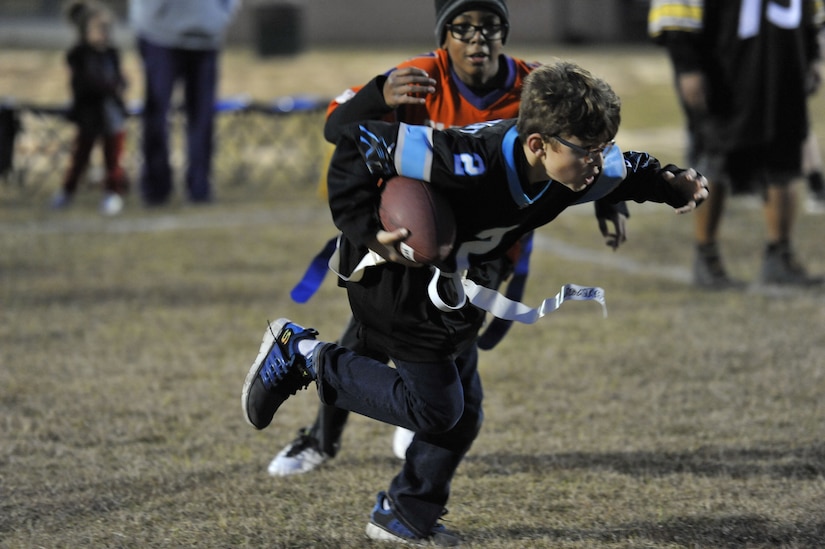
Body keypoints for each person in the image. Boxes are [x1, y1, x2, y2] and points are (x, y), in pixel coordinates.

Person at [242, 60, 708, 545]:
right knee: (437, 411)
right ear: (537, 144)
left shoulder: (575, 163)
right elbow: (357, 143)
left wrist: (669, 183)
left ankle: (405, 515)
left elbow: (628, 169)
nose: (597, 161)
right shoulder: (467, 158)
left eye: (602, 147)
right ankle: (300, 356)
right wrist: (367, 231)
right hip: (399, 281)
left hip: (454, 285)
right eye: (588, 150)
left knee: (463, 415)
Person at [268, 0, 630, 478]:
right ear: (444, 34)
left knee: (455, 347)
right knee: (366, 341)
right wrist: (378, 94)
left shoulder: (535, 85)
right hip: (413, 241)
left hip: (485, 245)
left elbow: (590, 135)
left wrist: (610, 196)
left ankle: (416, 451)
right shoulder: (418, 76)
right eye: (463, 27)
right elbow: (338, 129)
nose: (478, 39)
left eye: (491, 27)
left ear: (505, 31)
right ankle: (323, 438)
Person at [648, 0, 825, 287]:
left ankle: (779, 255)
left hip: (786, 58)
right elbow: (675, 11)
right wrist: (687, 65)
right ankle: (706, 256)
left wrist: (814, 54)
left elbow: (812, 10)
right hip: (725, 63)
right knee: (718, 154)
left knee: (785, 155)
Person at [128, 0, 239, 206]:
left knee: (202, 116)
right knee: (157, 115)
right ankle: (156, 188)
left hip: (207, 37)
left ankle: (199, 187)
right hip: (158, 34)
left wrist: (219, 16)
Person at [52, 0, 129, 216]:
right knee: (80, 157)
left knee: (113, 157)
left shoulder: (112, 53)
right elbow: (87, 84)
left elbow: (120, 81)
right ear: (85, 30)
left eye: (106, 28)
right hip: (89, 115)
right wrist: (111, 86)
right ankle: (67, 192)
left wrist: (119, 86)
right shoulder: (78, 55)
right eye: (97, 28)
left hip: (112, 115)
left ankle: (113, 192)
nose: (103, 33)